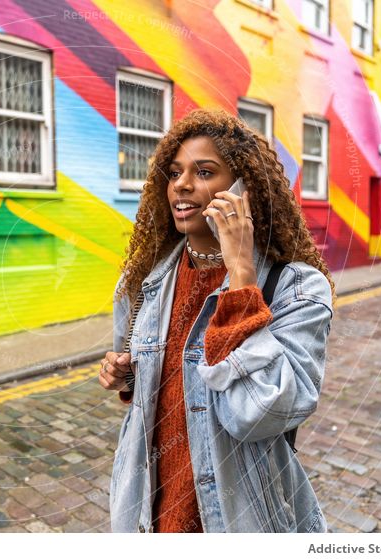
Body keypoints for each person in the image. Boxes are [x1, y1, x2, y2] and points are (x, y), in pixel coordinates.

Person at [98, 108, 336, 533]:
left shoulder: (296, 288)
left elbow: (261, 413)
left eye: (204, 171)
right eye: (174, 173)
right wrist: (127, 375)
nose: (182, 185)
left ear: (245, 189)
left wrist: (241, 275)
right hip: (148, 516)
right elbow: (148, 388)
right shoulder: (144, 283)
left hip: (238, 521)